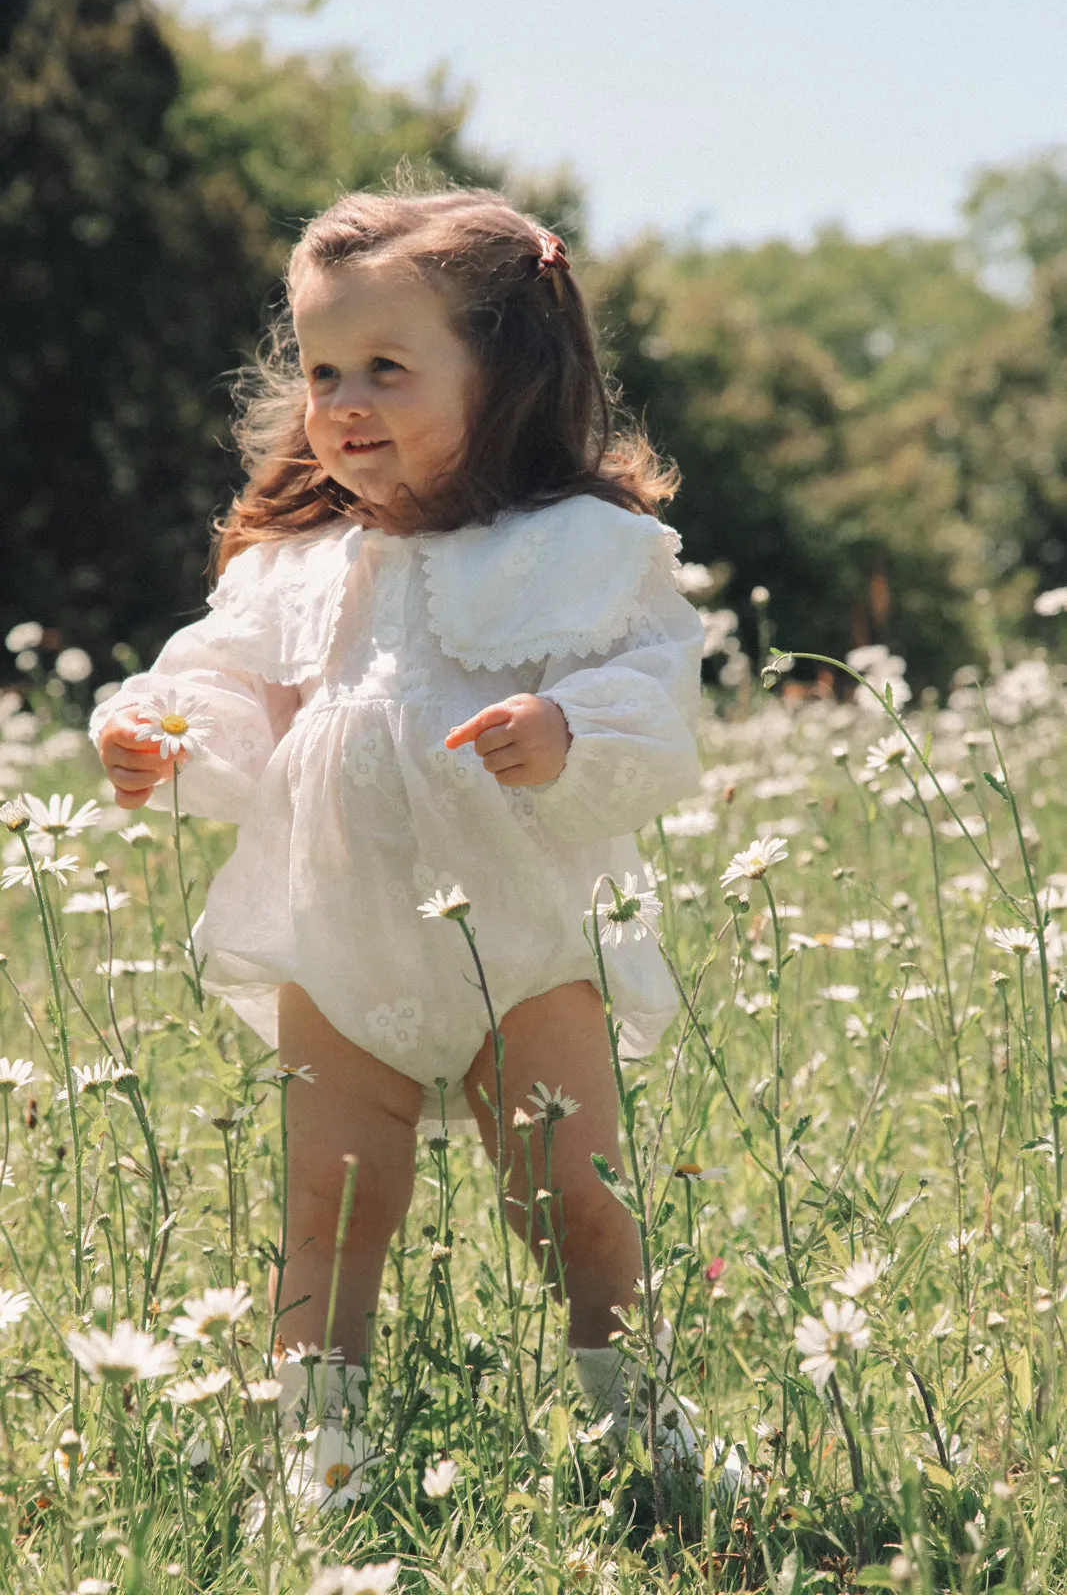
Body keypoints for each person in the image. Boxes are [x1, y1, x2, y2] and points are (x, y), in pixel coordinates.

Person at [92, 189, 706, 1463]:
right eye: (323, 371)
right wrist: (158, 730)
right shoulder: (298, 559)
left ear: (507, 372)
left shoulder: (580, 548)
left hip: (523, 929)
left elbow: (655, 686)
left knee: (571, 1196)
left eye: (387, 366)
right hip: (340, 926)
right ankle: (320, 1451)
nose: (345, 402)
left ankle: (645, 1424)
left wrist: (567, 727)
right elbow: (227, 688)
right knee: (330, 1197)